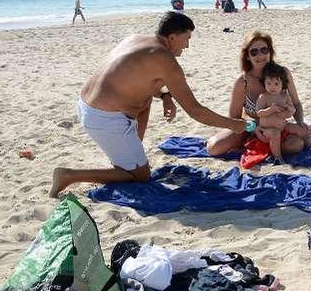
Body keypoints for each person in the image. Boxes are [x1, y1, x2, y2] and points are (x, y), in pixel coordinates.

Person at [49, 11, 248, 198]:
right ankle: (69, 175)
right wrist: (232, 124)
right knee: (141, 176)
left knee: (145, 101)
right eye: (186, 39)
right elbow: (195, 110)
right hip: (104, 118)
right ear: (172, 37)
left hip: (86, 105)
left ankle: (130, 157)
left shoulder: (136, 39)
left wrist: (164, 96)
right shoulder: (166, 60)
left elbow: (136, 80)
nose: (187, 46)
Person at [207, 31, 311, 156]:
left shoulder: (283, 74)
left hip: (279, 128)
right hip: (250, 129)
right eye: (254, 52)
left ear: (270, 52)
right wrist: (254, 129)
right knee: (214, 147)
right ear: (247, 56)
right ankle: (257, 144)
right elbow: (234, 118)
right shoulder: (242, 81)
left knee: (295, 145)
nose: (260, 55)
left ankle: (269, 148)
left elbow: (296, 102)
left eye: (264, 50)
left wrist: (300, 122)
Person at [255, 63, 296, 162]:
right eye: (268, 84)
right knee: (275, 133)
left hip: (282, 127)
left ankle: (309, 143)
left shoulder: (284, 96)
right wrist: (270, 110)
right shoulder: (263, 97)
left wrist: (287, 111)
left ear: (283, 85)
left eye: (276, 84)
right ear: (264, 83)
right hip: (266, 130)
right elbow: (259, 113)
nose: (272, 87)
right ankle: (278, 157)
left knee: (299, 128)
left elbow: (292, 111)